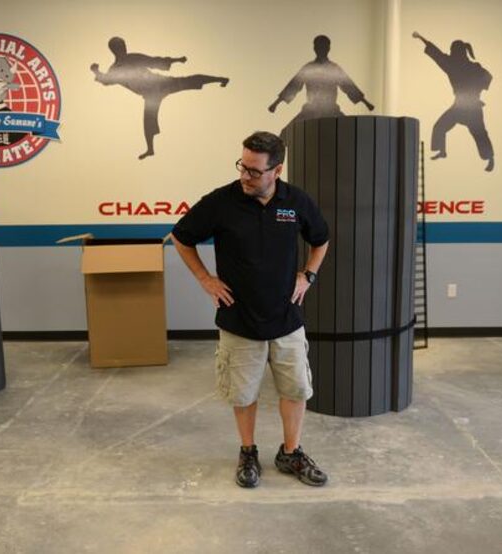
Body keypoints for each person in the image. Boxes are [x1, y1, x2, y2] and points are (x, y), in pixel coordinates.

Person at [171, 131, 330, 488]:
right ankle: (248, 452)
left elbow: (321, 239)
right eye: (243, 166)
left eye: (255, 171)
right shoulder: (221, 202)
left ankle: (291, 452)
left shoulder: (296, 202)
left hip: (286, 318)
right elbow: (181, 237)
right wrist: (205, 279)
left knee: (296, 390)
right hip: (238, 320)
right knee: (243, 394)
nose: (246, 176)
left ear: (277, 170)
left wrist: (308, 275)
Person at [91, 37, 229, 160]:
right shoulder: (115, 69)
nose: (124, 48)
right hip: (151, 95)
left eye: (124, 45)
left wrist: (177, 60)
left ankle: (220, 79)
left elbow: (154, 61)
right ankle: (150, 149)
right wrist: (96, 71)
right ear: (114, 50)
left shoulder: (133, 58)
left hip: (160, 83)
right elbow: (106, 81)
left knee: (189, 80)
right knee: (148, 120)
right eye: (121, 46)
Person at [413, 32, 495, 172]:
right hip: (461, 106)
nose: (450, 53)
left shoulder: (465, 66)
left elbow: (437, 54)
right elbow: (437, 54)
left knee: (479, 133)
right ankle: (442, 150)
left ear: (457, 52)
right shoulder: (456, 64)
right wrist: (422, 39)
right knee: (441, 126)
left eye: (452, 51)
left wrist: (478, 89)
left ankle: (489, 158)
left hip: (471, 107)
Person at [268, 35, 374, 131]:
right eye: (319, 46)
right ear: (314, 48)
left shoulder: (334, 69)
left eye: (324, 46)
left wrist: (366, 103)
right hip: (310, 111)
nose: (321, 49)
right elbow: (293, 86)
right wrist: (276, 104)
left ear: (328, 48)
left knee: (353, 132)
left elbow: (349, 87)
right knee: (286, 133)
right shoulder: (308, 68)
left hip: (331, 112)